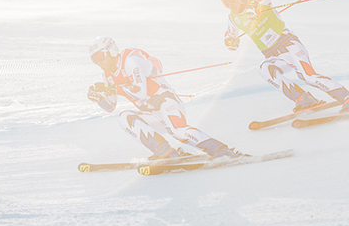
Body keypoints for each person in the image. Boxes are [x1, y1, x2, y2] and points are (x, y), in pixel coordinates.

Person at [220, 0, 349, 113]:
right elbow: (230, 34)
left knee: (308, 76)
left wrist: (253, 5)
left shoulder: (259, 0)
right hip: (273, 55)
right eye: (225, 3)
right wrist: (230, 41)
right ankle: (303, 98)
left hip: (289, 45)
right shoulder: (233, 18)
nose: (229, 5)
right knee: (265, 69)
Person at [86, 37, 245, 159]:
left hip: (166, 102)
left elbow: (140, 92)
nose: (99, 62)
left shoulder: (130, 60)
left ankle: (221, 150)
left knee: (177, 130)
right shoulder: (107, 76)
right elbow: (110, 107)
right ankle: (164, 151)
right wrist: (99, 98)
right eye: (94, 59)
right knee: (123, 118)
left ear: (111, 51)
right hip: (151, 114)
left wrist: (112, 88)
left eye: (100, 56)